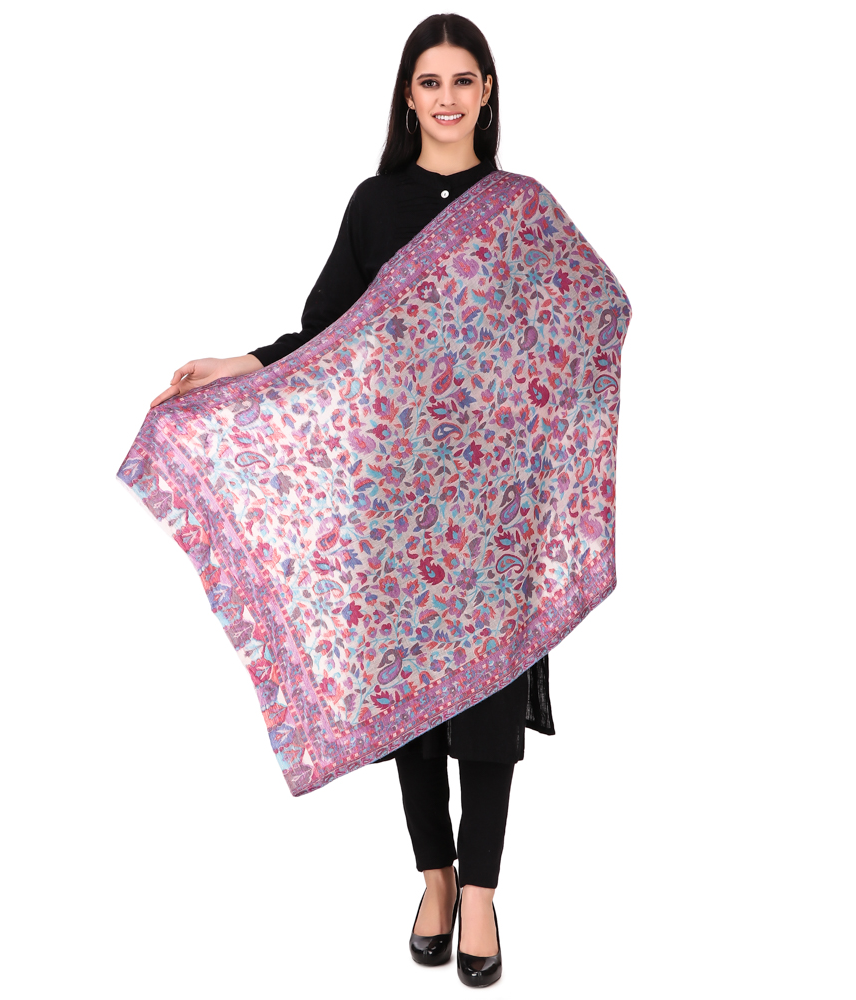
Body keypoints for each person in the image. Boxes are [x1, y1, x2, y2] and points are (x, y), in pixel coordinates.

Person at [149, 14, 555, 988]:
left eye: (464, 79)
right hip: (397, 490)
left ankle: (483, 891)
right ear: (408, 97)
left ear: (487, 92)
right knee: (409, 694)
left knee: (488, 694)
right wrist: (238, 363)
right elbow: (327, 331)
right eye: (431, 82)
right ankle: (434, 875)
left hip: (492, 496)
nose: (448, 97)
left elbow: (574, 323)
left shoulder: (520, 209)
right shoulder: (376, 205)